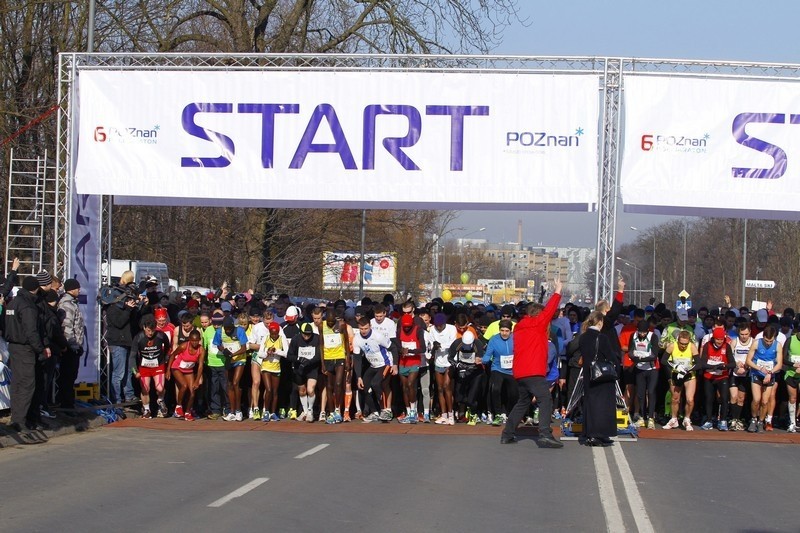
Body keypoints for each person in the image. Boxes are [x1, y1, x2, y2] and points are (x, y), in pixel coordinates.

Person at [501, 277, 563, 448]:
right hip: (534, 371)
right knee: (545, 399)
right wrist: (557, 291)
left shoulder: (520, 327)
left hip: (520, 372)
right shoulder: (537, 324)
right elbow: (550, 310)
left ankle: (507, 433)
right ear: (538, 315)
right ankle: (544, 433)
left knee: (523, 402)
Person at [5, 276, 50, 442]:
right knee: (26, 385)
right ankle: (19, 421)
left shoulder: (13, 303)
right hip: (25, 349)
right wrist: (41, 348)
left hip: (14, 346)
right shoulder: (28, 306)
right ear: (36, 288)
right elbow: (31, 331)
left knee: (18, 384)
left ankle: (18, 418)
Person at [579, 311, 620, 446]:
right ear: (600, 322)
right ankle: (601, 434)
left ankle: (590, 433)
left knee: (590, 404)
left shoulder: (583, 337)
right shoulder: (602, 338)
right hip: (602, 375)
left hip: (588, 374)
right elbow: (610, 356)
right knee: (603, 406)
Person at [105, 271, 141, 405]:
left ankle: (129, 395)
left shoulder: (128, 308)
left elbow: (134, 321)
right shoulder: (113, 307)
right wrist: (127, 309)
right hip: (117, 341)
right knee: (118, 373)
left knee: (128, 371)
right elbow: (119, 323)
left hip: (127, 341)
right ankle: (117, 399)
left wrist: (137, 307)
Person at [352, 317, 397, 423]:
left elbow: (393, 348)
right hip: (373, 365)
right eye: (361, 329)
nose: (363, 331)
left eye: (366, 328)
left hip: (385, 364)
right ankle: (375, 412)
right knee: (364, 386)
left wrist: (395, 365)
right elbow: (357, 358)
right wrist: (358, 376)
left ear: (370, 327)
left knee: (377, 384)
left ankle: (387, 410)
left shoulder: (378, 336)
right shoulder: (357, 339)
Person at [131, 315, 171, 419]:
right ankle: (146, 409)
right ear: (144, 328)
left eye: (152, 331)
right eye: (148, 330)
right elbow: (132, 356)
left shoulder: (161, 335)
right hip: (144, 367)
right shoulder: (138, 337)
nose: (150, 333)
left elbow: (168, 347)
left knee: (160, 388)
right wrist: (135, 371)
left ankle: (161, 400)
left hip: (158, 365)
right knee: (146, 388)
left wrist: (166, 357)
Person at [746, 325, 783, 432]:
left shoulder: (777, 345)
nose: (768, 343)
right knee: (756, 399)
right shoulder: (757, 343)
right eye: (766, 340)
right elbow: (748, 360)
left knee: (765, 401)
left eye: (770, 341)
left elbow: (779, 364)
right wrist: (759, 368)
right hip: (757, 373)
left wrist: (770, 373)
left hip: (770, 375)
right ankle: (753, 419)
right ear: (763, 337)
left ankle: (761, 421)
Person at [661, 330, 699, 431]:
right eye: (681, 344)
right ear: (678, 341)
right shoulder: (672, 346)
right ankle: (674, 419)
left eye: (685, 344)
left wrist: (687, 370)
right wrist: (675, 366)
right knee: (675, 398)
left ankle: (687, 419)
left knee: (690, 399)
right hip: (676, 374)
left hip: (689, 375)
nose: (683, 346)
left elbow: (699, 364)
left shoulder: (692, 347)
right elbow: (663, 360)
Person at [698, 327, 734, 430]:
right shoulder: (707, 346)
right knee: (709, 398)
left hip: (722, 376)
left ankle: (723, 421)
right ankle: (709, 420)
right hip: (709, 376)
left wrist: (724, 366)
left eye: (721, 339)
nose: (719, 342)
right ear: (714, 338)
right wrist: (712, 366)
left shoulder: (726, 346)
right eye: (718, 339)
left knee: (724, 398)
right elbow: (702, 363)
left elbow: (732, 363)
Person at [482, 319, 517, 426]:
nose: (504, 333)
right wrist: (483, 360)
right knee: (495, 389)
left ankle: (508, 412)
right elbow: (488, 354)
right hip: (497, 368)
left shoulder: (516, 339)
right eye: (502, 330)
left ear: (511, 331)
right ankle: (497, 414)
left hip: (512, 370)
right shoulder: (494, 339)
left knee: (513, 394)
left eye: (507, 331)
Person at [57, 278, 85, 409]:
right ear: (71, 289)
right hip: (70, 347)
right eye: (77, 288)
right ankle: (66, 403)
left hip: (74, 345)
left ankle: (68, 402)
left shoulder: (73, 303)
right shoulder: (67, 304)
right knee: (67, 376)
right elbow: (67, 327)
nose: (79, 290)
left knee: (71, 376)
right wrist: (73, 346)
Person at [214, 315, 249, 421]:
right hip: (228, 360)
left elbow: (244, 348)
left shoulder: (240, 331)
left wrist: (233, 354)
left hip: (239, 359)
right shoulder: (220, 332)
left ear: (233, 327)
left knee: (235, 383)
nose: (228, 331)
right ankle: (232, 411)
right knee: (229, 385)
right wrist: (223, 350)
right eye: (226, 328)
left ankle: (239, 411)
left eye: (230, 328)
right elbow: (218, 344)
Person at [287, 322, 321, 422]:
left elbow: (319, 355)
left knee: (310, 390)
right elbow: (289, 355)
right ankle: (305, 412)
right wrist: (298, 358)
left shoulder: (317, 338)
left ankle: (310, 411)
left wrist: (309, 361)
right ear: (301, 332)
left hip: (312, 367)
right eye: (304, 334)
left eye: (309, 334)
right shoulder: (295, 339)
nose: (306, 337)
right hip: (299, 368)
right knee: (302, 391)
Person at [167, 329, 205, 421]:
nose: (194, 343)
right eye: (192, 340)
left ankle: (188, 412)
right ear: (189, 339)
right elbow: (172, 355)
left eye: (196, 340)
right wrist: (168, 370)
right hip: (177, 367)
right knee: (184, 386)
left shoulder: (201, 350)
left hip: (188, 370)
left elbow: (200, 366)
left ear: (199, 340)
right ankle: (179, 406)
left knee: (192, 392)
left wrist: (197, 380)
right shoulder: (184, 346)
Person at [628, 319, 658, 430]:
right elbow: (630, 350)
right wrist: (634, 357)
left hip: (652, 369)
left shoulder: (653, 337)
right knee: (640, 394)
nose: (642, 334)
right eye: (640, 332)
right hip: (639, 368)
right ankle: (642, 416)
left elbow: (654, 355)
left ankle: (650, 418)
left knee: (650, 392)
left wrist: (641, 358)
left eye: (644, 332)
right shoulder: (634, 335)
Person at [397, 313, 425, 424]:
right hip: (403, 362)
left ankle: (413, 411)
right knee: (404, 387)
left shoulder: (418, 330)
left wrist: (410, 351)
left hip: (414, 361)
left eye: (409, 326)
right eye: (405, 326)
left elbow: (422, 348)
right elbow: (397, 345)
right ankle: (408, 412)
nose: (407, 328)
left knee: (410, 384)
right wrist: (401, 350)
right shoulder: (399, 331)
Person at [430, 313, 457, 425]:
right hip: (438, 362)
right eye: (437, 325)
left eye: (441, 325)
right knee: (440, 389)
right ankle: (444, 414)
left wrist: (439, 345)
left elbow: (452, 344)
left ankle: (451, 414)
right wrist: (433, 346)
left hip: (449, 362)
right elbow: (431, 343)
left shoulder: (452, 329)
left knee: (447, 387)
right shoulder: (432, 329)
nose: (439, 328)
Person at [728, 324, 753, 431]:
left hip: (746, 373)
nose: (744, 336)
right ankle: (733, 420)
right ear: (739, 333)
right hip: (734, 373)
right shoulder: (735, 341)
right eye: (742, 334)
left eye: (746, 334)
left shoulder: (753, 342)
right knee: (733, 396)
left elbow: (754, 357)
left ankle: (737, 419)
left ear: (750, 333)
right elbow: (729, 355)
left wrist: (747, 366)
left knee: (741, 398)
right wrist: (736, 363)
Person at [783, 326, 800, 433]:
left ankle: (798, 419)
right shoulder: (790, 340)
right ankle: (792, 422)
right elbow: (783, 359)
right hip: (791, 373)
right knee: (792, 398)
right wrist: (793, 365)